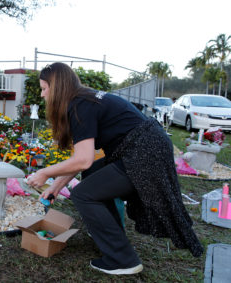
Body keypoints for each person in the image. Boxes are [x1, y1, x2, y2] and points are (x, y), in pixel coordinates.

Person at [27, 62, 203, 275]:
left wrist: (45, 172)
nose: (43, 95)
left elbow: (83, 159)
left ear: (57, 87)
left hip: (143, 153)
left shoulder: (79, 106)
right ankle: (110, 234)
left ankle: (123, 260)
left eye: (45, 88)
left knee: (83, 194)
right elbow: (84, 161)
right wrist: (55, 186)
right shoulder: (85, 100)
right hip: (143, 147)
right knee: (92, 174)